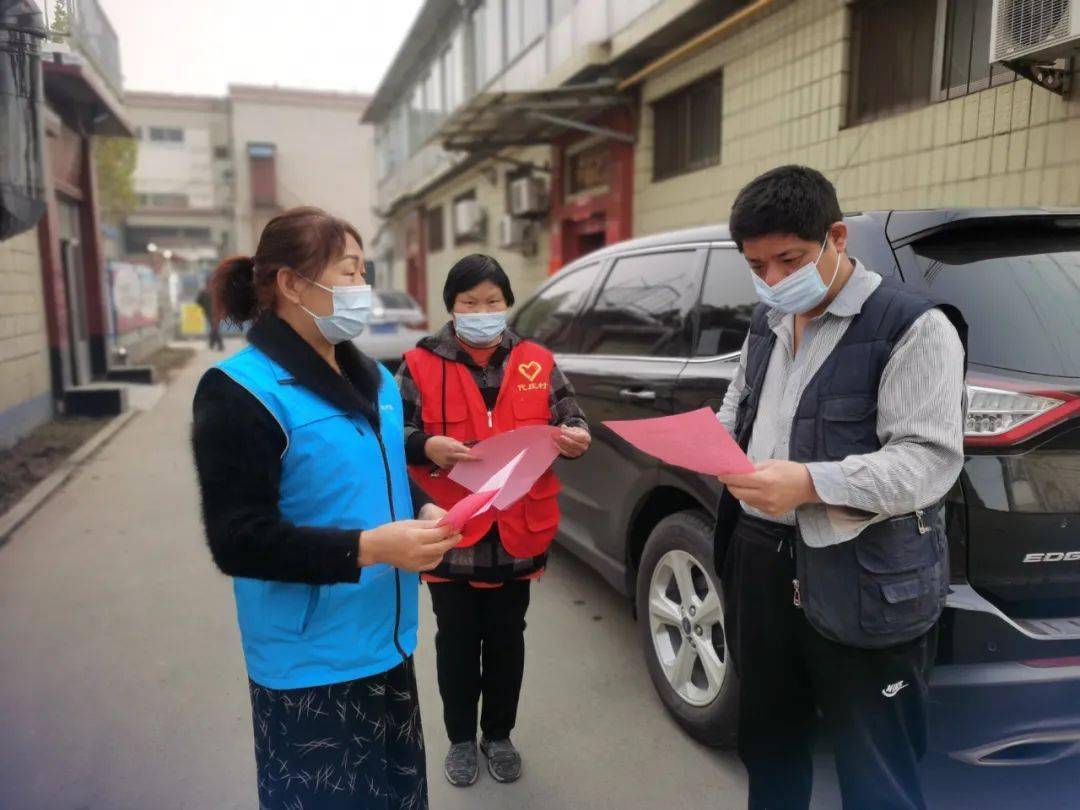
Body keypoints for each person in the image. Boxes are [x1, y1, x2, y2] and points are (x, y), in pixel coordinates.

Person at [190, 206, 461, 810]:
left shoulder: (375, 381)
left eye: (365, 272)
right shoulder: (241, 391)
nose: (362, 289)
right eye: (349, 272)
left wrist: (422, 511)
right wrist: (368, 549)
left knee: (400, 797)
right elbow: (237, 537)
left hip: (387, 643)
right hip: (310, 666)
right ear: (290, 284)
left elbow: (385, 473)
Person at [713, 166, 967, 810]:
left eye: (789, 261)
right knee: (769, 743)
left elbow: (928, 461)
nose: (772, 281)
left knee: (875, 764)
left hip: (865, 574)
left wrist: (808, 483)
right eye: (757, 266)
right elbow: (737, 407)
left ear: (837, 237)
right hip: (761, 564)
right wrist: (712, 449)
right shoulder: (766, 322)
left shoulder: (911, 327)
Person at [395, 254, 591, 788]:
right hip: (452, 529)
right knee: (456, 639)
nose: (483, 311)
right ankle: (460, 738)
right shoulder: (417, 365)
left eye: (493, 302)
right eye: (470, 303)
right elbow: (391, 438)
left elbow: (569, 418)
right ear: (451, 308)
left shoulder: (537, 361)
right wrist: (426, 444)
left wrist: (576, 437)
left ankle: (498, 734)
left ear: (507, 304)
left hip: (517, 531)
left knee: (508, 638)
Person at [196, 282, 224, 350]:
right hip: (213, 313)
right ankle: (218, 344)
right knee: (215, 328)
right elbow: (198, 302)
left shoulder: (206, 292)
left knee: (214, 328)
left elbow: (198, 302)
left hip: (213, 313)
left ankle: (212, 343)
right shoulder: (213, 292)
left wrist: (204, 308)